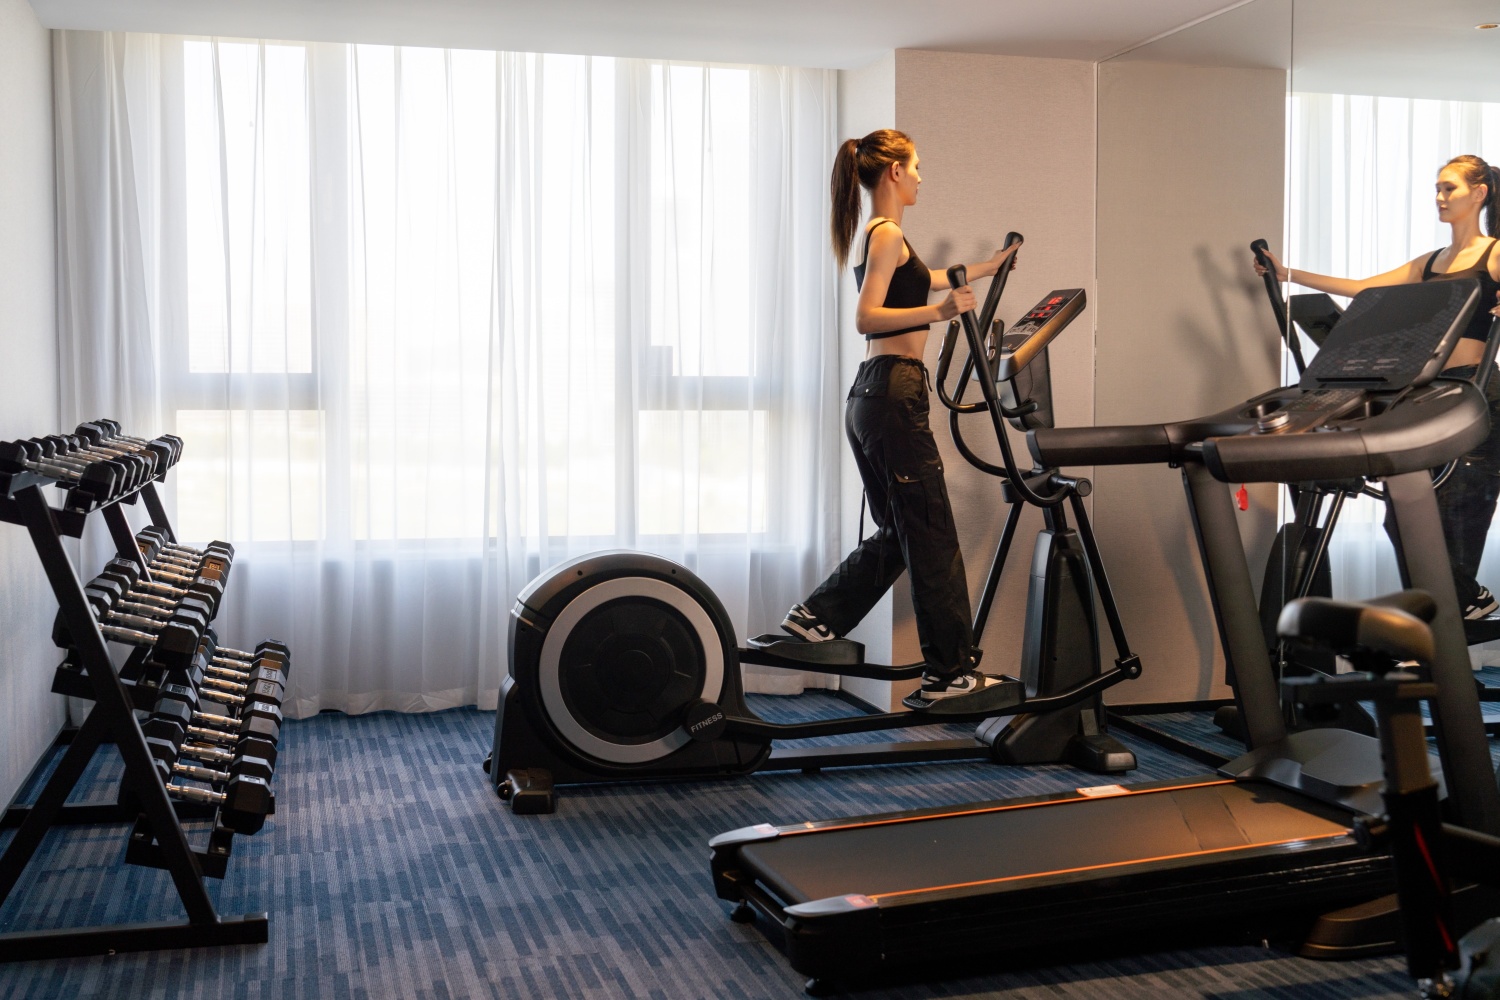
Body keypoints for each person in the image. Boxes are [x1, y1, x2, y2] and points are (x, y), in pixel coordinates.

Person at [779, 129, 1019, 707]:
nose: (919, 177)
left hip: (873, 397)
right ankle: (950, 674)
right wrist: (941, 311)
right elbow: (867, 317)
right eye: (915, 167)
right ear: (893, 171)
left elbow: (924, 279)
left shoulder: (883, 237)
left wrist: (987, 267)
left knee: (901, 529)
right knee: (931, 531)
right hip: (892, 393)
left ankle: (815, 618)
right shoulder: (886, 234)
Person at [1256, 154, 1500, 620]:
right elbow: (1364, 289)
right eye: (1437, 188)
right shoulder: (1432, 262)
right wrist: (1286, 274)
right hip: (1429, 394)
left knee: (1455, 513)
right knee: (1400, 514)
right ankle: (1444, 611)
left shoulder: (1495, 253)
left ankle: (1460, 603)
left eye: (1449, 188)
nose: (1439, 197)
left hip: (1477, 392)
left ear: (1479, 193)